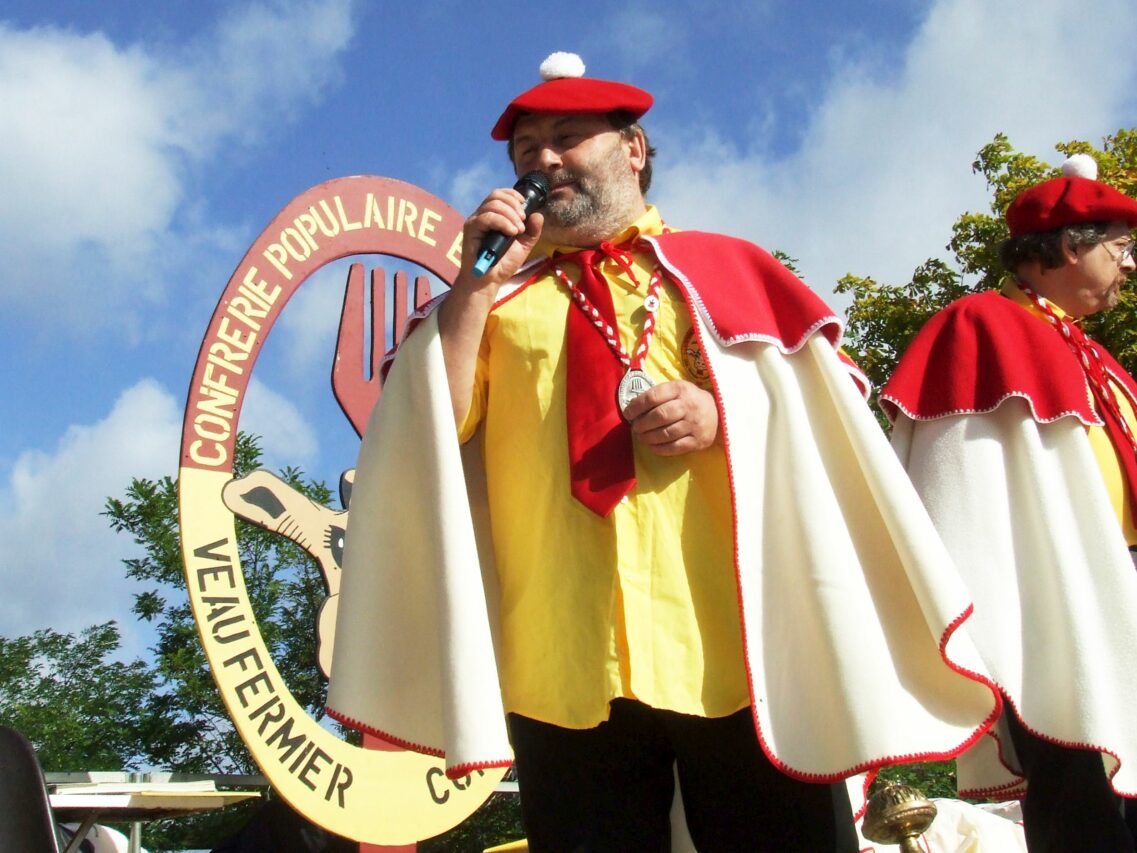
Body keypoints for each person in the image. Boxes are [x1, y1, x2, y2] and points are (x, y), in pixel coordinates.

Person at [329, 52, 999, 851]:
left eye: (567, 138)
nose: (542, 161)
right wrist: (470, 287)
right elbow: (424, 432)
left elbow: (823, 434)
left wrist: (721, 415)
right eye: (524, 152)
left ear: (633, 150)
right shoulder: (489, 303)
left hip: (737, 652)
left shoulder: (727, 270)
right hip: (560, 661)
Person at [881, 154, 1137, 852]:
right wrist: (983, 611)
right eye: (1122, 247)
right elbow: (956, 489)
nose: (1130, 265)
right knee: (1077, 782)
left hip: (1120, 582)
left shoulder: (1095, 358)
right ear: (1069, 245)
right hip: (1047, 597)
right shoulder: (980, 326)